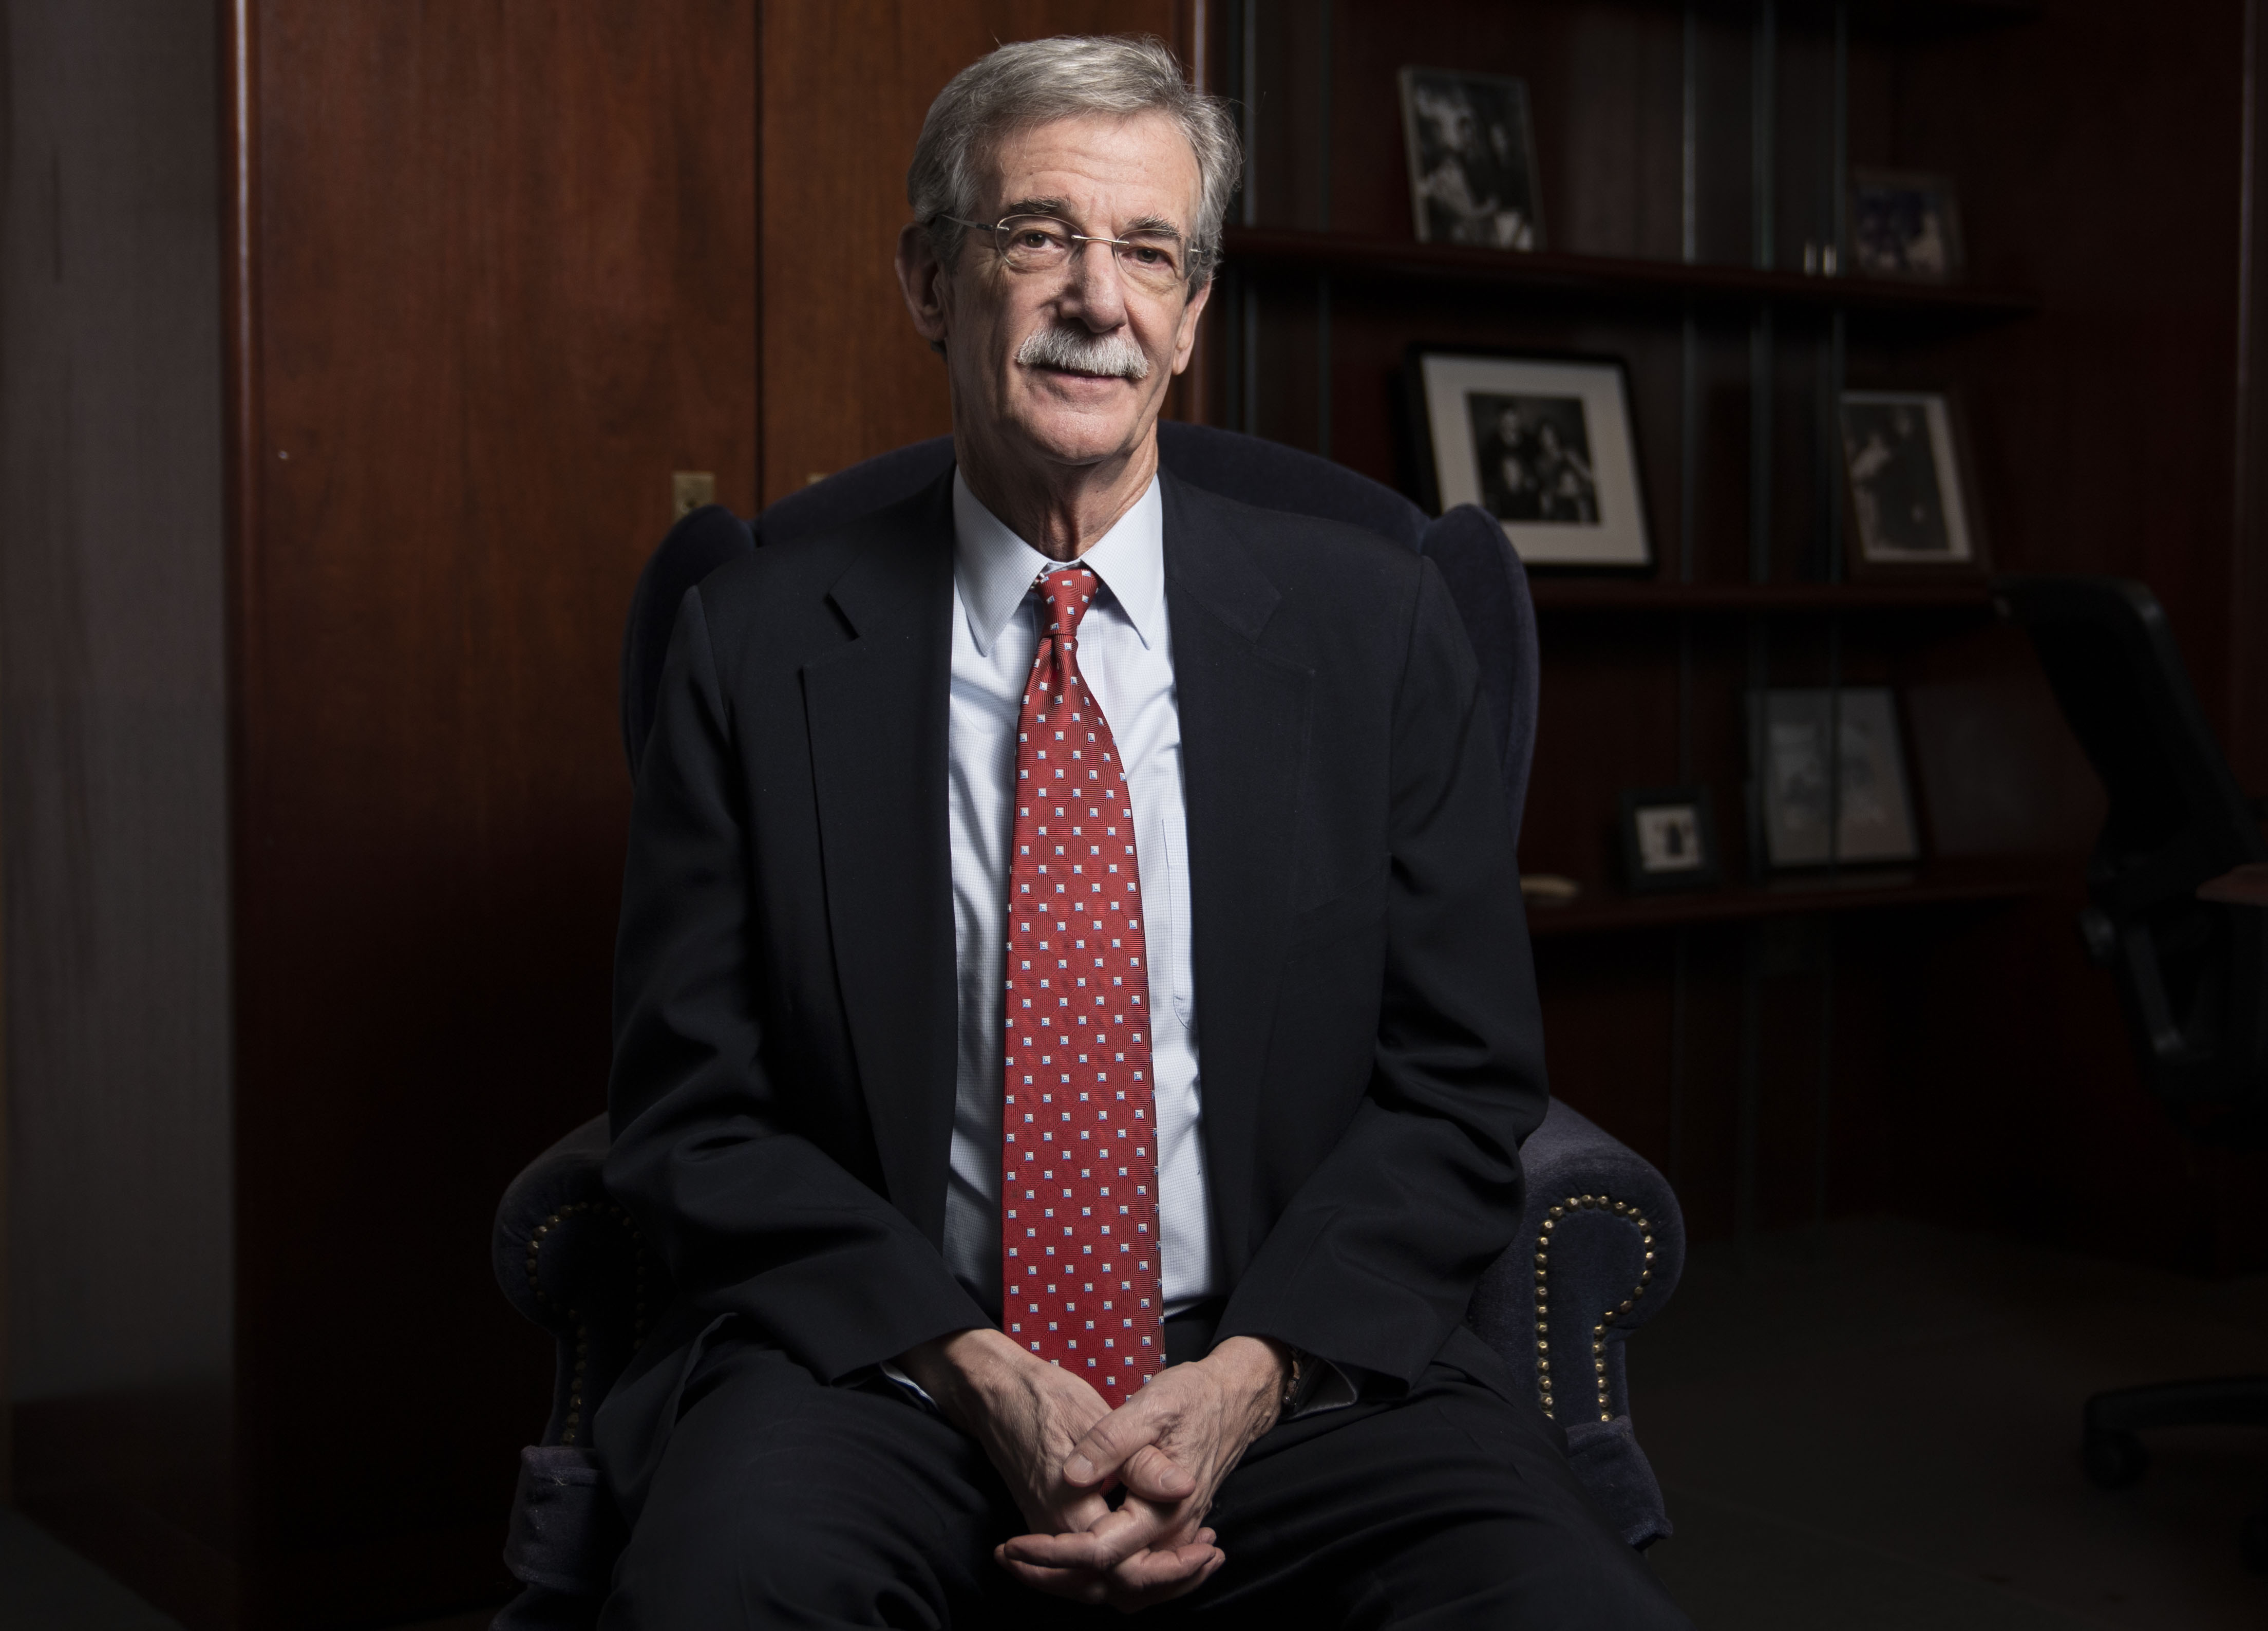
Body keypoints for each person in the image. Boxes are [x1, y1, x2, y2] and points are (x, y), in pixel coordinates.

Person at [594, 34, 1692, 1630]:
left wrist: (1246, 1380)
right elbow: (693, 1111)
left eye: (1150, 253)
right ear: (928, 282)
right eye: (1039, 236)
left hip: (1297, 1371)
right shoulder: (756, 647)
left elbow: (1460, 1081)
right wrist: (974, 1370)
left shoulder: (1375, 628)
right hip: (887, 1371)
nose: (1097, 298)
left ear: (1189, 316)